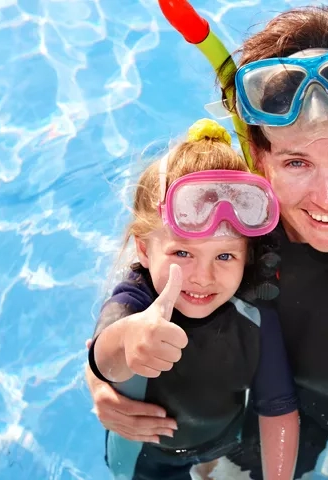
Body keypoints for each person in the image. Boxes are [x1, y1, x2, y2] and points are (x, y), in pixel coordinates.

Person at [85, 4, 328, 478]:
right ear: (258, 159)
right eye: (296, 163)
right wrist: (104, 367)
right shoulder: (234, 219)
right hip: (259, 416)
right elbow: (143, 281)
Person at [87, 119, 300, 480]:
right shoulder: (136, 302)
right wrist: (128, 341)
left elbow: (277, 407)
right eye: (183, 254)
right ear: (143, 248)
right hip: (146, 454)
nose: (203, 277)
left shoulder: (255, 313)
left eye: (224, 256)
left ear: (247, 255)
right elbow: (103, 361)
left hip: (222, 439)